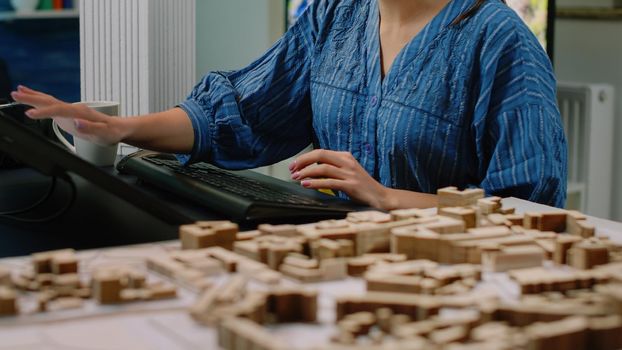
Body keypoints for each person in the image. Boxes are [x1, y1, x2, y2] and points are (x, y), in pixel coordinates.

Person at [11, 0, 567, 210]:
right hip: (331, 265)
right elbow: (241, 112)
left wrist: (386, 197)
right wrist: (117, 128)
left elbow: (531, 213)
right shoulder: (335, 15)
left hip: (442, 289)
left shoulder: (499, 40)